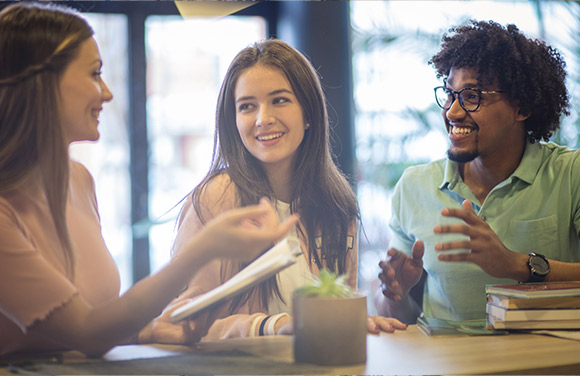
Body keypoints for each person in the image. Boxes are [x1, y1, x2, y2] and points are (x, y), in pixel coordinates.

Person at [0, 2, 299, 357]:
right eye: (94, 74)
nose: (107, 92)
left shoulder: (78, 181)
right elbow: (84, 332)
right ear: (44, 84)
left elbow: (92, 322)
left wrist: (149, 329)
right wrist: (203, 251)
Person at [139, 39, 407, 344]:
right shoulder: (216, 197)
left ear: (309, 114)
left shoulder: (337, 202)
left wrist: (349, 318)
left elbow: (332, 313)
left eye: (279, 100)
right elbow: (177, 322)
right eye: (247, 106)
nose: (262, 119)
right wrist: (274, 324)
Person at [375, 19, 580, 324]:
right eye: (449, 94)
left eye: (472, 96)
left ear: (521, 107)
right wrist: (397, 293)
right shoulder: (414, 187)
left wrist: (516, 264)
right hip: (449, 366)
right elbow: (399, 318)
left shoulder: (570, 174)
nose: (452, 112)